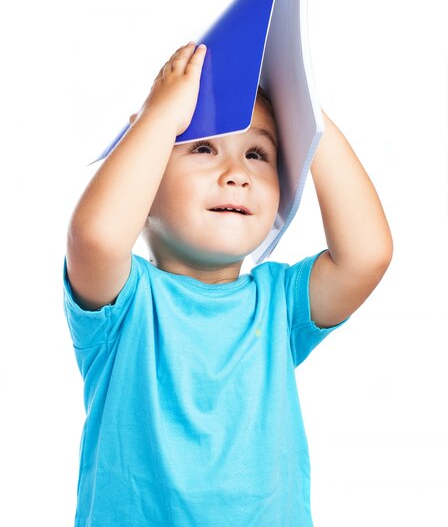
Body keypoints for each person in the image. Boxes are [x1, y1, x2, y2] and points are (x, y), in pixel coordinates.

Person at [63, 41, 393, 526]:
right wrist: (158, 118)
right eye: (202, 146)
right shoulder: (125, 304)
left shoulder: (279, 303)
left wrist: (306, 113)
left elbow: (368, 255)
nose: (236, 173)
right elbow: (94, 237)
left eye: (258, 153)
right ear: (144, 181)